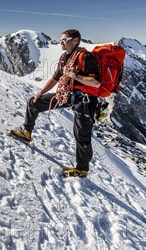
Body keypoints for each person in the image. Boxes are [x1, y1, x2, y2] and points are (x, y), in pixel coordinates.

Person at [10, 29, 101, 178]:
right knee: (34, 103)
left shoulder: (86, 57)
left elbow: (96, 83)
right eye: (61, 39)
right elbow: (55, 78)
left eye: (65, 39)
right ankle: (27, 132)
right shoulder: (64, 58)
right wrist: (40, 93)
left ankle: (82, 169)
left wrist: (74, 75)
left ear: (76, 40)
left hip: (85, 100)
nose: (61, 42)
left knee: (81, 134)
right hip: (68, 95)